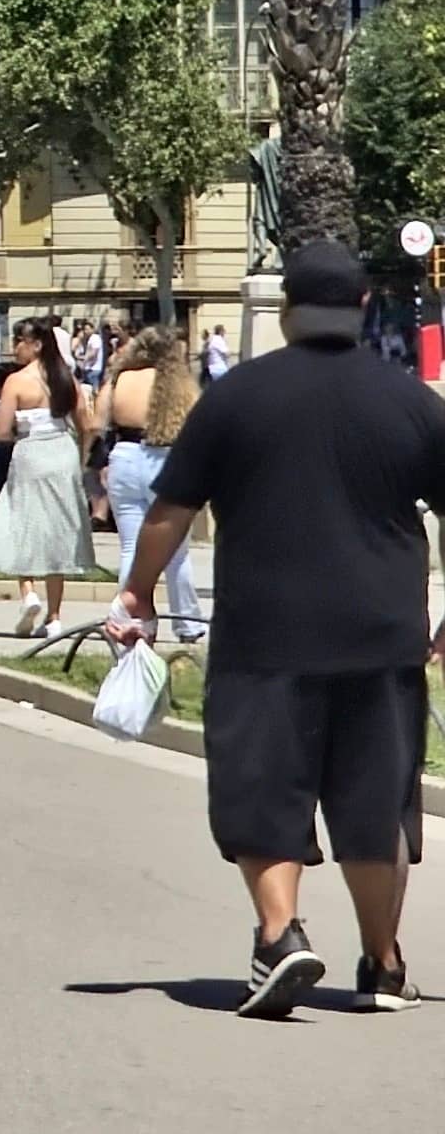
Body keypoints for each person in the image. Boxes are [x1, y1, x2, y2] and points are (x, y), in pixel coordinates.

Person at [111, 240, 445, 1014]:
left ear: (286, 310)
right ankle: (384, 963)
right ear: (364, 307)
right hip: (382, 632)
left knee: (262, 790)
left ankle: (279, 936)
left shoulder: (237, 396)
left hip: (265, 634)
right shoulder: (410, 401)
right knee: (374, 803)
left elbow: (170, 511)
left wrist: (138, 593)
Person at [0, 316, 92, 633]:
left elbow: (1, 431)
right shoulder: (67, 379)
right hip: (62, 452)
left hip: (31, 452)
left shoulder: (16, 381)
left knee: (22, 523)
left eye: (19, 341)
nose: (15, 348)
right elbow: (87, 425)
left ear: (36, 344)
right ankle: (54, 616)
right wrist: (80, 457)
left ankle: (28, 593)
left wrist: (18, 430)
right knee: (58, 532)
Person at [101, 325, 206, 639]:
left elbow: (97, 422)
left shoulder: (120, 379)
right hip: (166, 459)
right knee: (176, 552)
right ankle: (187, 624)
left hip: (125, 456)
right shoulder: (179, 385)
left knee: (131, 548)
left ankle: (128, 619)